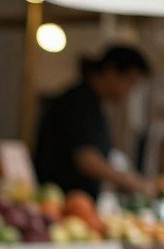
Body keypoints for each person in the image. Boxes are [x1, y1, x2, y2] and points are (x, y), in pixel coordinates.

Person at [34, 45, 156, 199]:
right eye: (129, 82)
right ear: (110, 71)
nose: (129, 92)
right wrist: (130, 181)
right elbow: (86, 158)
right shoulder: (80, 102)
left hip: (74, 204)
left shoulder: (92, 102)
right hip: (61, 201)